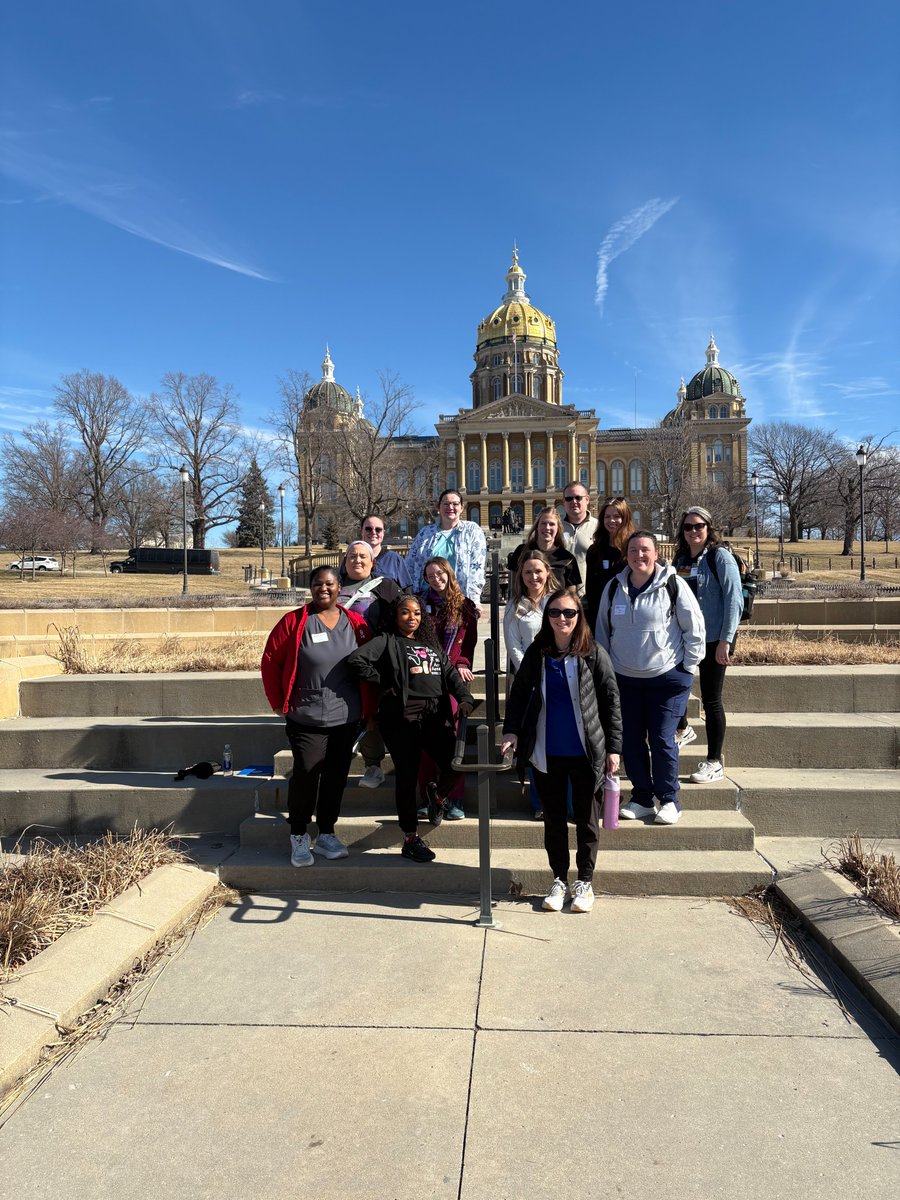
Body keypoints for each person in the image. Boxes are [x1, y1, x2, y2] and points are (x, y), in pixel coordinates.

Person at [501, 586, 622, 914]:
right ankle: (559, 879)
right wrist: (511, 730)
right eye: (555, 612)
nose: (562, 618)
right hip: (547, 751)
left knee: (586, 820)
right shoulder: (538, 652)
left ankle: (584, 881)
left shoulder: (593, 652)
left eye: (569, 612)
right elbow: (519, 692)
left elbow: (611, 701)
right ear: (547, 617)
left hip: (586, 752)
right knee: (553, 820)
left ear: (579, 616)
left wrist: (614, 748)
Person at [346, 596, 474, 862]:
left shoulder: (430, 644)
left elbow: (450, 674)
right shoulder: (387, 641)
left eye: (416, 613)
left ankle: (437, 797)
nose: (412, 617)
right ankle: (410, 837)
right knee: (406, 774)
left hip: (434, 714)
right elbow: (356, 660)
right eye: (405, 612)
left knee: (456, 763)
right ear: (395, 616)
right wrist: (385, 682)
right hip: (401, 716)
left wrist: (464, 698)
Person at [261, 565, 373, 867]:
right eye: (317, 584)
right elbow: (270, 661)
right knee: (307, 773)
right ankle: (299, 834)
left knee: (336, 777)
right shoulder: (293, 622)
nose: (323, 588)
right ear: (310, 588)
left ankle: (326, 833)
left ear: (339, 588)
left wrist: (370, 710)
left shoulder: (357, 624)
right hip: (306, 716)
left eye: (329, 584)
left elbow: (371, 667)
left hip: (346, 717)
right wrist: (276, 702)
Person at [595, 531, 705, 826]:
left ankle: (669, 800)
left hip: (666, 678)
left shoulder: (673, 585)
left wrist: (687, 669)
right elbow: (602, 633)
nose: (639, 555)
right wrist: (606, 671)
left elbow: (694, 629)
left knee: (661, 738)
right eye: (633, 550)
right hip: (625, 679)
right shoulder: (613, 588)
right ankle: (642, 798)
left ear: (656, 553)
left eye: (645, 550)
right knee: (631, 740)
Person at [671, 506, 743, 783]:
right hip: (685, 638)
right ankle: (683, 728)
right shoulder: (680, 558)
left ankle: (714, 762)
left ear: (709, 528)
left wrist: (726, 639)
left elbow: (734, 599)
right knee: (673, 687)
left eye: (699, 526)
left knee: (712, 699)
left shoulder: (719, 556)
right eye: (688, 527)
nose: (693, 531)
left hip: (714, 638)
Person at [416, 557, 478, 821]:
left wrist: (462, 663)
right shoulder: (418, 604)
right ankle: (426, 795)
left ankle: (454, 797)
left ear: (449, 573)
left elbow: (469, 643)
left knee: (453, 740)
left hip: (451, 677)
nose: (436, 579)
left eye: (440, 573)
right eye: (430, 576)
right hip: (424, 677)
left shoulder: (465, 606)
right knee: (424, 742)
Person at [502, 549, 561, 820]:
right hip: (531, 683)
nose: (533, 576)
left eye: (538, 571)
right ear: (521, 575)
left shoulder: (558, 601)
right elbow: (513, 645)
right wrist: (531, 673)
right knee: (536, 744)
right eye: (528, 572)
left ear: (547, 572)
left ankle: (565, 802)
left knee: (560, 743)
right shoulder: (515, 605)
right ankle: (540, 802)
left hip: (559, 679)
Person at [337, 540, 401, 789]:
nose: (357, 560)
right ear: (345, 561)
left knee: (371, 712)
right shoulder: (334, 584)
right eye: (352, 556)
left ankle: (373, 766)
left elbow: (404, 614)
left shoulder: (385, 586)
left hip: (373, 661)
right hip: (337, 662)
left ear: (372, 562)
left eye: (363, 556)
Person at [403, 489, 487, 614]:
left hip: (460, 598)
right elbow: (410, 564)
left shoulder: (472, 531)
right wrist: (410, 596)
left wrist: (474, 599)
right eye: (446, 504)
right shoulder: (425, 533)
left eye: (455, 504)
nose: (450, 507)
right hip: (427, 599)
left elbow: (477, 567)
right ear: (439, 507)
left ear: (462, 508)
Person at [584, 498, 635, 633]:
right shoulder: (594, 551)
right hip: (600, 617)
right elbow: (591, 590)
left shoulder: (633, 549)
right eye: (607, 517)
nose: (611, 521)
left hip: (628, 617)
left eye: (617, 516)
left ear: (625, 518)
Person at [507, 507, 581, 590]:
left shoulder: (567, 559)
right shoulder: (521, 552)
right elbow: (513, 587)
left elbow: (571, 594)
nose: (547, 527)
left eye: (552, 524)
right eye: (543, 523)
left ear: (558, 528)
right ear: (537, 527)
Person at [560, 482, 598, 591]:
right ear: (564, 502)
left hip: (589, 594)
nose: (574, 502)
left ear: (587, 499)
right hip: (561, 594)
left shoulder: (599, 527)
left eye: (578, 498)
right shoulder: (556, 528)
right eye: (569, 499)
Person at [358, 513, 406, 583]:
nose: (373, 532)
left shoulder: (394, 559)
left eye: (378, 529)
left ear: (383, 533)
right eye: (368, 529)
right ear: (361, 531)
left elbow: (407, 588)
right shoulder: (351, 559)